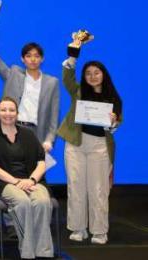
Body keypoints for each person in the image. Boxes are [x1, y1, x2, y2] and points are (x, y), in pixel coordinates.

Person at [57, 36, 123, 244]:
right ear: (84, 76)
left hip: (100, 147)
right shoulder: (78, 91)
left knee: (98, 190)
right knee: (75, 187)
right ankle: (78, 228)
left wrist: (112, 122)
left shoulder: (113, 98)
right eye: (88, 73)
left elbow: (116, 125)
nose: (92, 76)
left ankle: (99, 231)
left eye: (96, 73)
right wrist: (73, 54)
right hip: (75, 144)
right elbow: (67, 76)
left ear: (104, 75)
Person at [0, 97, 53, 259]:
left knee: (42, 201)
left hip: (31, 181)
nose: (8, 113)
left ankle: (43, 252)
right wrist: (16, 182)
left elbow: (41, 162)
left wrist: (32, 180)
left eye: (12, 110)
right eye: (3, 110)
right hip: (2, 183)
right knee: (22, 201)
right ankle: (27, 253)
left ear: (17, 113)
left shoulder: (29, 135)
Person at [0, 22, 59, 153]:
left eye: (37, 56)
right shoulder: (13, 74)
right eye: (28, 56)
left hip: (36, 134)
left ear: (42, 59)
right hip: (10, 127)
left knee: (33, 166)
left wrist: (49, 139)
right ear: (22, 59)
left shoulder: (52, 82)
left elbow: (54, 115)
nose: (33, 59)